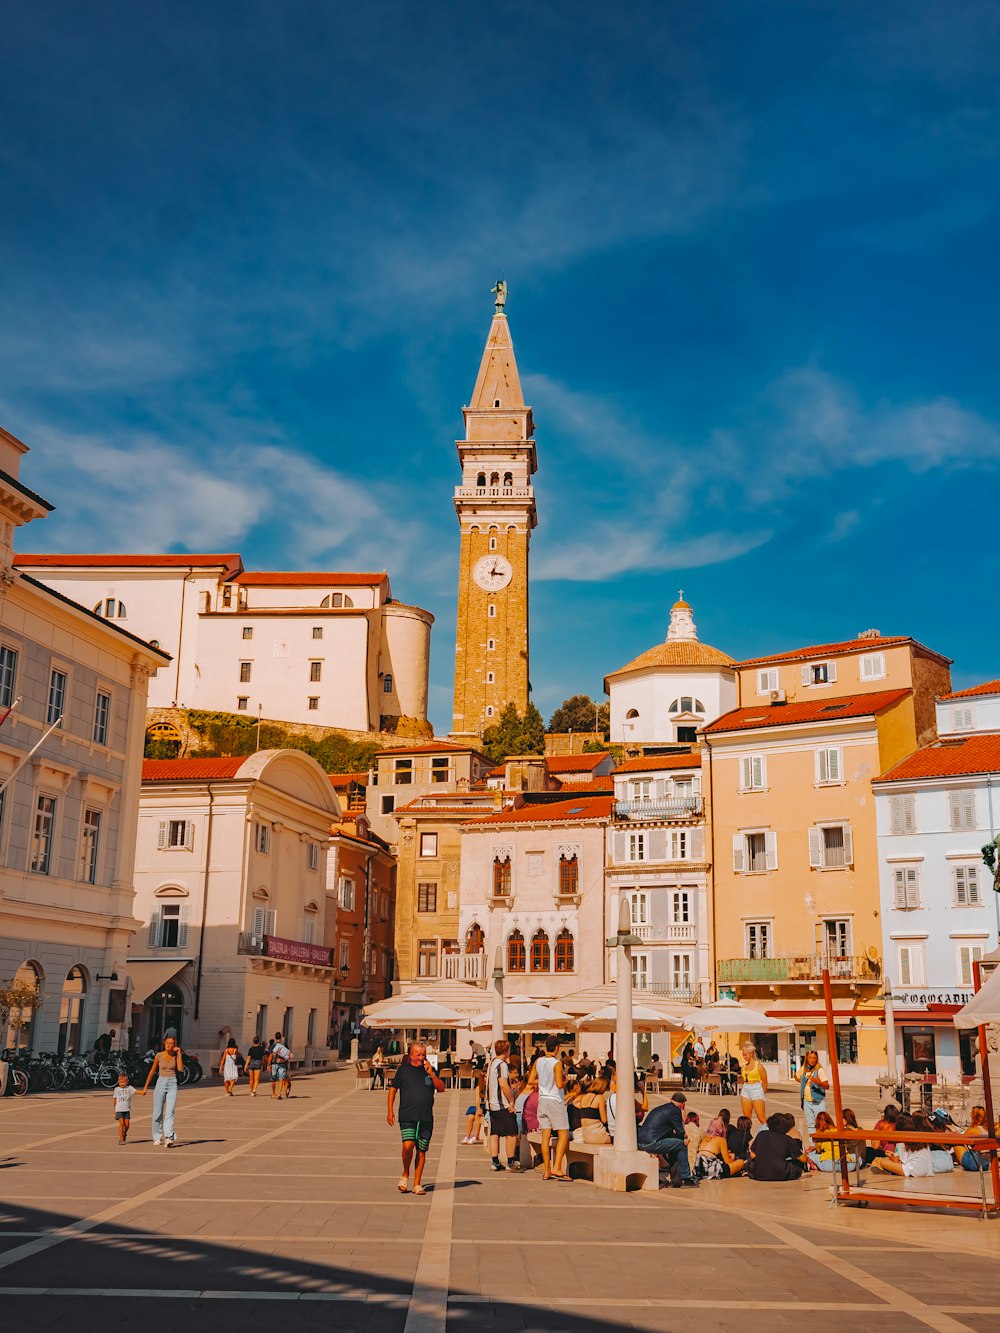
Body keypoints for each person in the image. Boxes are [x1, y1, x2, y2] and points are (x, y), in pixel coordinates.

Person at [387, 1040, 445, 1195]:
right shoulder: (403, 1070)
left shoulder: (429, 1070)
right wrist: (390, 1111)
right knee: (408, 1145)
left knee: (421, 1150)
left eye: (423, 1055)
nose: (421, 1058)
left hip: (426, 1117)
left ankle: (417, 1183)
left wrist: (431, 1074)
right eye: (418, 1055)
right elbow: (393, 1090)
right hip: (407, 1115)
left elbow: (441, 1088)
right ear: (411, 1055)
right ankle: (405, 1173)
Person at [526, 1034, 570, 1181]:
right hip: (555, 1100)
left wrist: (543, 1081)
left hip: (542, 1100)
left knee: (545, 1136)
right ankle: (557, 1167)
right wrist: (565, 1081)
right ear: (557, 1048)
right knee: (563, 1133)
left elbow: (531, 1080)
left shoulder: (539, 1061)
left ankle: (547, 1170)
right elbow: (559, 1084)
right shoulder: (556, 1063)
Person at [637, 1091, 698, 1187]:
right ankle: (686, 1178)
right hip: (652, 1143)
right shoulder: (675, 1111)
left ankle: (676, 1180)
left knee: (675, 1144)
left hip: (641, 1142)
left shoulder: (662, 1108)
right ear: (683, 1104)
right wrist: (682, 1117)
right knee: (682, 1145)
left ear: (671, 1100)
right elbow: (680, 1132)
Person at [138, 1034, 183, 1147]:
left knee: (170, 1111)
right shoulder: (159, 1055)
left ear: (175, 1045)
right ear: (164, 1043)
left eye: (171, 1043)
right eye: (167, 1043)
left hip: (172, 1083)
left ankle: (168, 1137)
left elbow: (180, 1069)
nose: (169, 1045)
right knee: (157, 1112)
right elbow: (152, 1071)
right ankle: (157, 1136)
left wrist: (179, 1054)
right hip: (161, 1083)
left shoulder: (175, 1056)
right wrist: (145, 1087)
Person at [486, 1039, 519, 1171]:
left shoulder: (492, 1063)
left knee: (495, 1132)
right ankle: (510, 1162)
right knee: (512, 1131)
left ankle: (495, 1161)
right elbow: (503, 1084)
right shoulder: (502, 1065)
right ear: (506, 1051)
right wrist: (511, 1100)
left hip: (491, 1104)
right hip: (501, 1104)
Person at [748, 1112, 807, 1180]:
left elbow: (752, 1155)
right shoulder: (787, 1139)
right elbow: (803, 1159)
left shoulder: (761, 1134)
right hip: (781, 1174)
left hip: (759, 1174)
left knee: (751, 1163)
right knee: (798, 1164)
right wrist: (807, 1158)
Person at [871, 1114, 932, 1178]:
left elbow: (897, 1161)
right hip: (927, 1171)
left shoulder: (902, 1140)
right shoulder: (919, 1137)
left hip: (912, 1171)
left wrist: (890, 1156)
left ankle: (890, 1170)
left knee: (882, 1161)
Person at [799, 1049, 829, 1135]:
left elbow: (827, 1085)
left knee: (820, 1124)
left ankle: (821, 1144)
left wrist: (817, 1082)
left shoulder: (819, 1070)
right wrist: (803, 1082)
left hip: (818, 1102)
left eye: (814, 1058)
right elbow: (797, 1076)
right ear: (807, 1059)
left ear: (817, 1059)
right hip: (806, 1101)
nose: (812, 1060)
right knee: (810, 1125)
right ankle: (813, 1145)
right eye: (810, 1058)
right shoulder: (804, 1069)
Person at [739, 1042, 768, 1126]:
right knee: (746, 1118)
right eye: (743, 1055)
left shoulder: (759, 1066)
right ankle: (746, 1136)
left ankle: (768, 1135)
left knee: (761, 1118)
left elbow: (765, 1083)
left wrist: (762, 1094)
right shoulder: (743, 1068)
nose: (744, 1057)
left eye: (745, 1055)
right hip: (745, 1089)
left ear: (751, 1053)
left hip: (756, 1088)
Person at [960, 1106, 991, 1171]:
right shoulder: (987, 1130)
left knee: (956, 1145)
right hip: (986, 1164)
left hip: (975, 1163)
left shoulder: (973, 1130)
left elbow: (960, 1139)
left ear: (974, 1117)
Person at [112, 1072, 136, 1146]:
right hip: (119, 1109)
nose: (121, 1084)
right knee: (121, 1124)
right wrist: (115, 1110)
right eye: (120, 1082)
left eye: (123, 1082)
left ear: (127, 1081)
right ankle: (121, 1139)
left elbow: (136, 1091)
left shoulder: (129, 1088)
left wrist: (143, 1092)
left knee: (127, 1124)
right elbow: (115, 1100)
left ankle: (124, 1133)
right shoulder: (116, 1089)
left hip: (126, 1109)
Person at [462, 1073, 486, 1145]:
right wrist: (478, 1108)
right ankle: (467, 1136)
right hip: (481, 1106)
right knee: (470, 1117)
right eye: (485, 1077)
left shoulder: (490, 1087)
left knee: (477, 1115)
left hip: (487, 1107)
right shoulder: (478, 1088)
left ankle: (475, 1137)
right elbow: (477, 1101)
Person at [268, 1033, 293, 1100]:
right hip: (282, 1064)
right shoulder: (284, 1044)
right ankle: (279, 1094)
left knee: (273, 1079)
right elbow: (288, 1054)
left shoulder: (273, 1045)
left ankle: (273, 1094)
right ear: (281, 1037)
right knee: (281, 1079)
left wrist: (268, 1065)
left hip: (273, 1064)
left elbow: (270, 1055)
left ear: (275, 1038)